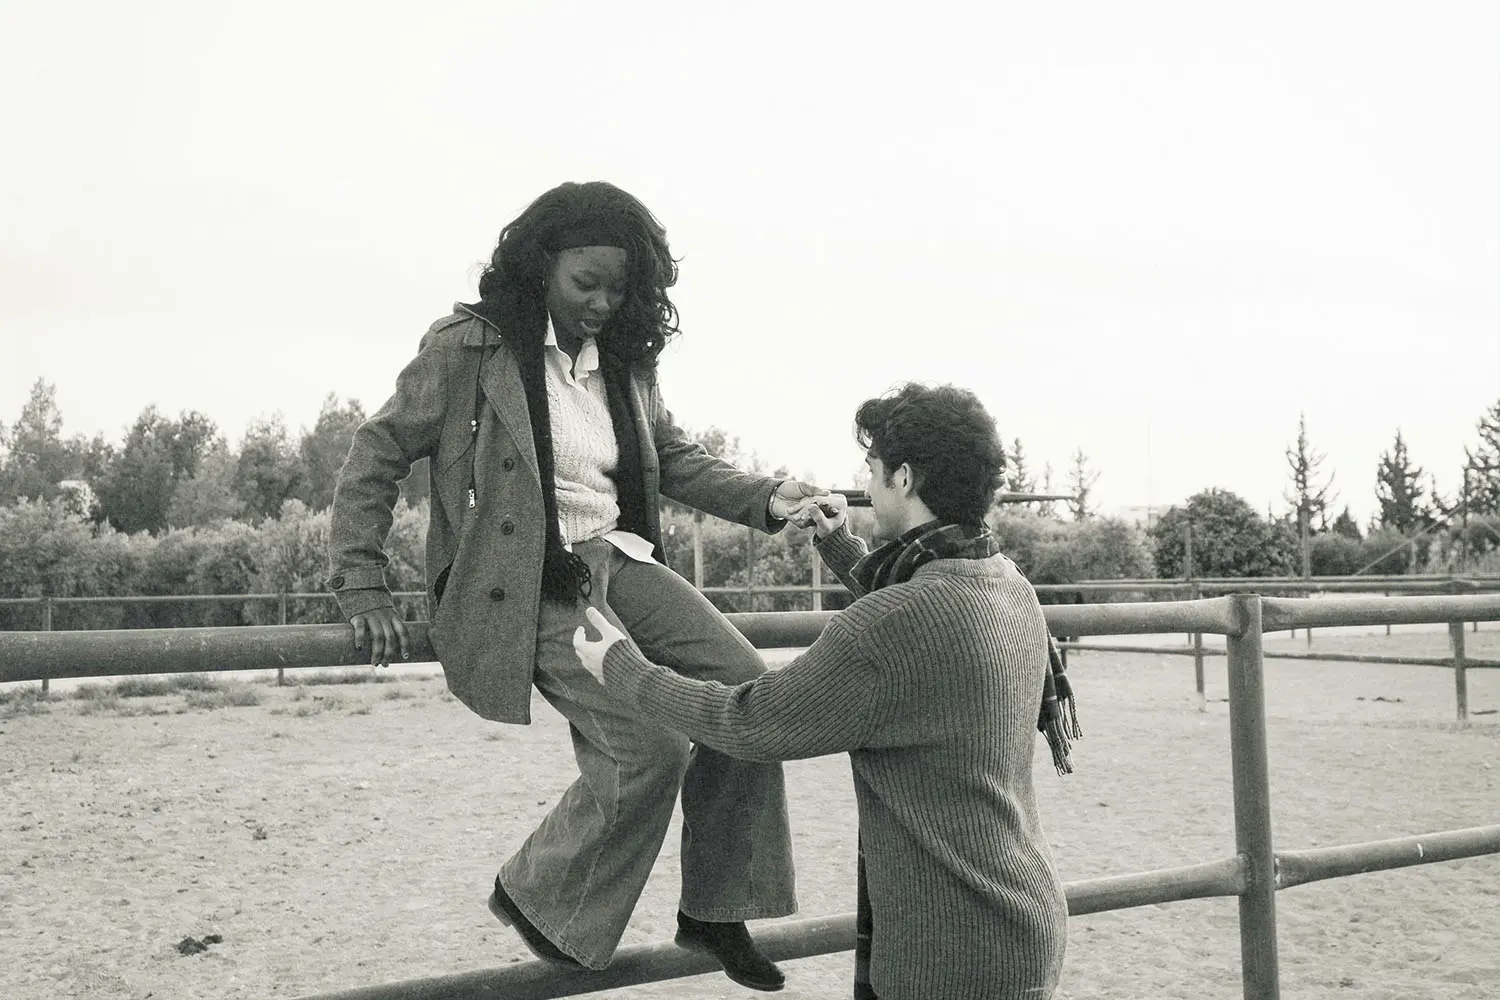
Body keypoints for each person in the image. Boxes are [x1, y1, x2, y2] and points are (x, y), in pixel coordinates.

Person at [327, 181, 829, 990]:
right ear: (540, 270)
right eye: (583, 283)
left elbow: (678, 460)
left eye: (618, 288)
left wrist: (770, 499)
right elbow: (377, 453)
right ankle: (540, 896)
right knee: (652, 744)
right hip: (523, 579)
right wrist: (363, 585)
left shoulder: (624, 365)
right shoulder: (469, 348)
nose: (600, 302)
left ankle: (715, 907)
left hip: (617, 556)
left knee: (749, 695)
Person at [574, 383, 1076, 1000]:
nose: (863, 479)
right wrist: (840, 547)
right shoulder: (1004, 583)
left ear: (904, 477)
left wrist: (622, 667)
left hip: (946, 951)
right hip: (1023, 919)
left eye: (871, 467)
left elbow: (748, 722)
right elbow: (920, 637)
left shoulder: (899, 620)